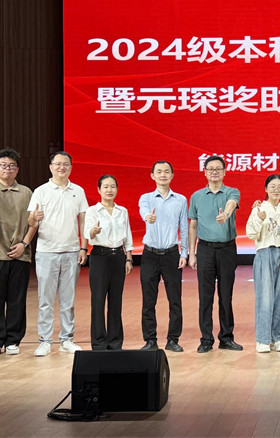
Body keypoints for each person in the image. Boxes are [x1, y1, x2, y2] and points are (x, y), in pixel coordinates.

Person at [27, 151, 88, 357]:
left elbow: (83, 221)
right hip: (46, 252)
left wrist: (83, 247)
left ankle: (66, 339)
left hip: (71, 251)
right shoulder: (41, 191)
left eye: (66, 164)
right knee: (45, 299)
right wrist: (34, 218)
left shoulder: (78, 191)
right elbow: (31, 221)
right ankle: (45, 341)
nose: (62, 167)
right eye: (58, 164)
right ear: (50, 167)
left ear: (71, 167)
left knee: (67, 300)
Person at [0, 148, 36, 356]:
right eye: (3, 165)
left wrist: (24, 244)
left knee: (17, 300)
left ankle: (13, 340)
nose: (7, 169)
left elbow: (33, 222)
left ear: (17, 169)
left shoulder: (27, 192)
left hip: (20, 252)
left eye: (12, 166)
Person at [188, 155, 243, 353]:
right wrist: (192, 253)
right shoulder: (196, 196)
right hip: (205, 249)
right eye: (210, 169)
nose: (214, 172)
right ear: (204, 172)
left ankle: (226, 338)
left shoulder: (232, 191)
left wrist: (226, 215)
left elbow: (232, 204)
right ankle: (206, 339)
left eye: (218, 169)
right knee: (205, 296)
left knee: (225, 295)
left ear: (224, 172)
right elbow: (193, 225)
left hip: (227, 249)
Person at [138, 161, 189, 352]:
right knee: (148, 300)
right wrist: (147, 217)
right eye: (159, 172)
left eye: (166, 171)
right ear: (152, 175)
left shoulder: (181, 200)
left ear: (172, 175)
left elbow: (184, 227)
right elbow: (143, 211)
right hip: (150, 254)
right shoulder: (146, 198)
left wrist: (184, 253)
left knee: (175, 300)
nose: (163, 175)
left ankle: (173, 339)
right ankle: (150, 340)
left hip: (171, 254)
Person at [246, 174, 280, 354]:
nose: (276, 190)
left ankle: (279, 338)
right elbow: (251, 234)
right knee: (265, 298)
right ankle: (263, 340)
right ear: (266, 189)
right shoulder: (259, 208)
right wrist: (259, 218)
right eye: (272, 186)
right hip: (265, 254)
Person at [85, 175, 133, 350]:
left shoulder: (122, 211)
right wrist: (93, 231)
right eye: (105, 187)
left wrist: (129, 257)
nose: (109, 190)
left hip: (118, 256)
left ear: (117, 189)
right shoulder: (92, 211)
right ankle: (99, 342)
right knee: (98, 300)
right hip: (100, 256)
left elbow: (127, 235)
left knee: (116, 300)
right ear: (99, 190)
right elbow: (87, 234)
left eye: (112, 186)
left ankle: (115, 342)